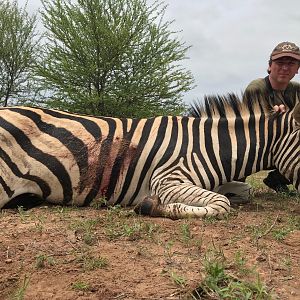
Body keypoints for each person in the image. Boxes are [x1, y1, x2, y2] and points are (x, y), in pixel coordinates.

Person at [244, 41, 300, 193]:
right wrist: (271, 117)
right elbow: (247, 127)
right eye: (280, 62)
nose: (285, 67)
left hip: (286, 148)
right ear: (270, 66)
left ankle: (277, 179)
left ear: (297, 69)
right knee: (237, 190)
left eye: (291, 63)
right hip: (257, 148)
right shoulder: (256, 88)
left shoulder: (297, 90)